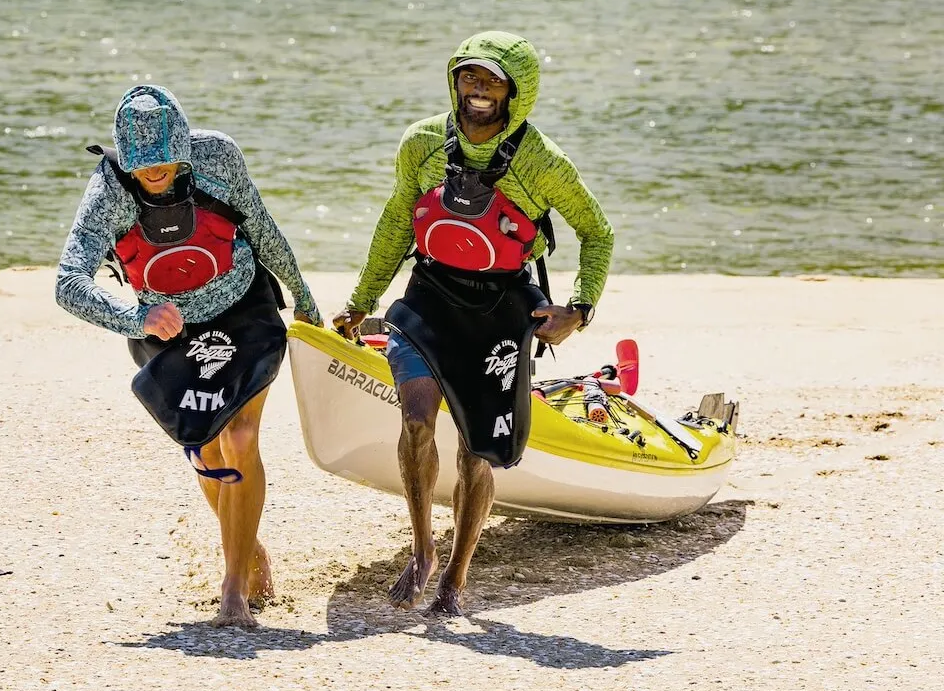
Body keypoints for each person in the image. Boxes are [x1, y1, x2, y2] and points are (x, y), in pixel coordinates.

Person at [333, 32, 614, 616]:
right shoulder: (423, 143)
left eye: (492, 80)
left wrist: (578, 311)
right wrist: (362, 302)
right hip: (429, 296)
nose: (478, 88)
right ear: (453, 79)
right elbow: (396, 224)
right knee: (415, 421)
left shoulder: (543, 163)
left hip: (500, 309)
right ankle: (422, 551)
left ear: (518, 91)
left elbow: (598, 233)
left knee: (476, 452)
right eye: (468, 75)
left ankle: (455, 581)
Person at [56, 85, 321, 628]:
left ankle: (233, 590)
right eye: (140, 166)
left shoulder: (218, 156)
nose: (152, 172)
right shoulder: (107, 189)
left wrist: (305, 300)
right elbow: (68, 283)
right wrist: (137, 319)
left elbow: (263, 231)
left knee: (242, 436)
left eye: (162, 162)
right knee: (205, 444)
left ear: (181, 145)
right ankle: (249, 552)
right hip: (167, 326)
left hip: (244, 305)